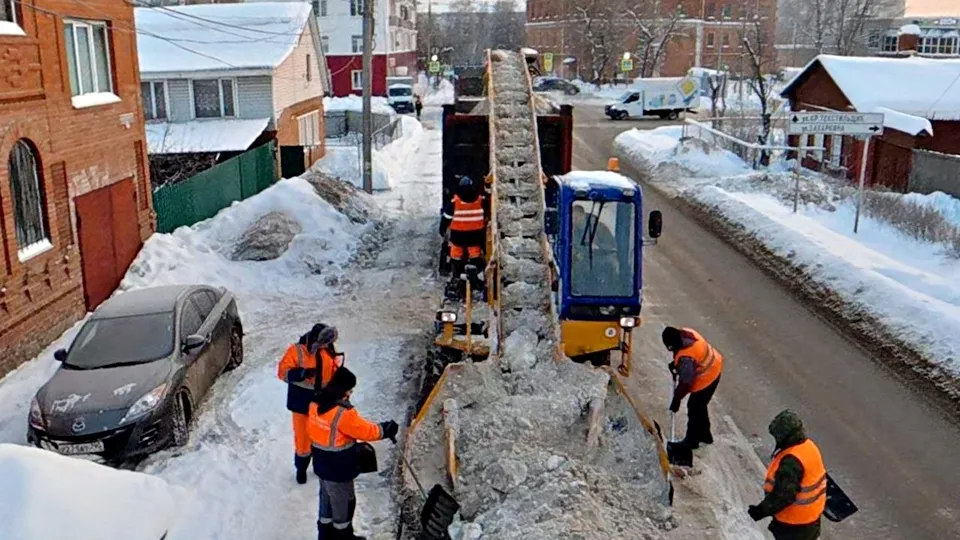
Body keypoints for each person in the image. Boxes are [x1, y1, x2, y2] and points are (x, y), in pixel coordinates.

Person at [309, 367, 399, 540]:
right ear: (343, 390)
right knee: (344, 505)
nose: (350, 393)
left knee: (326, 502)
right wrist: (385, 430)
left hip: (321, 463)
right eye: (350, 389)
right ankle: (344, 536)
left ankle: (325, 536)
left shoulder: (316, 404)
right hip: (339, 467)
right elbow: (364, 431)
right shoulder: (342, 413)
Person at [277, 324, 342, 484]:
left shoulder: (328, 349)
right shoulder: (297, 351)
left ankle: (320, 466)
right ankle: (301, 468)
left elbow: (333, 372)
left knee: (322, 437)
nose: (326, 345)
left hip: (322, 403)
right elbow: (282, 372)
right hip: (301, 405)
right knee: (303, 441)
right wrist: (301, 374)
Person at [748, 410, 827, 540]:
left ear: (785, 436)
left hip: (794, 524)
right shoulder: (809, 447)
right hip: (811, 519)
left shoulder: (791, 461)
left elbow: (783, 495)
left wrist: (760, 511)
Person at [662, 326, 723, 448]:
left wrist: (677, 399)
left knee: (694, 407)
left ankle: (691, 441)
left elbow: (685, 383)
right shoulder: (688, 334)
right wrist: (675, 365)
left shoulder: (686, 357)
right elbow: (689, 359)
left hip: (707, 377)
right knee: (700, 405)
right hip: (715, 364)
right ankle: (705, 435)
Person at [440, 175, 486, 298]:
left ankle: (456, 274)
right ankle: (476, 273)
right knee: (475, 253)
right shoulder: (480, 200)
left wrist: (442, 230)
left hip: (458, 237)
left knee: (456, 254)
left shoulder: (455, 202)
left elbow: (446, 218)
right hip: (475, 237)